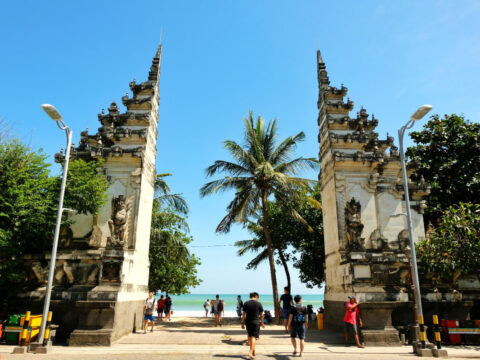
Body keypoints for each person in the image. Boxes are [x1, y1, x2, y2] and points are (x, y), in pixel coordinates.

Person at [241, 292, 264, 359]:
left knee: (250, 336)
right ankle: (250, 352)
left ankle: (253, 351)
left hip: (248, 322)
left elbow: (243, 314)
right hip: (256, 322)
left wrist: (242, 322)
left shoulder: (246, 303)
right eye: (258, 298)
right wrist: (262, 323)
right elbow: (262, 315)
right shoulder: (259, 304)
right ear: (256, 296)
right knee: (254, 337)